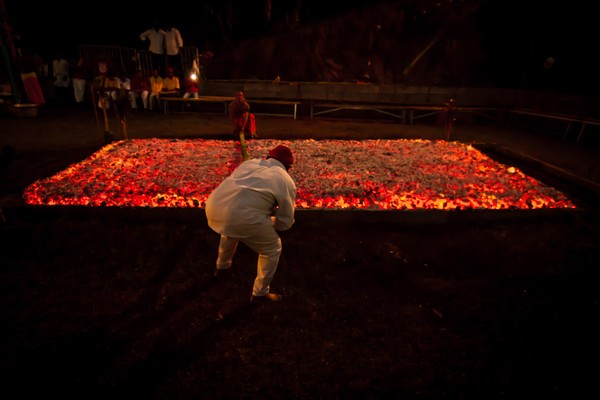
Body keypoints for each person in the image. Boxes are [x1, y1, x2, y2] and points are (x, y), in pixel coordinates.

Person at [205, 145, 296, 303]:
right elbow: (285, 221)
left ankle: (222, 268)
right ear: (288, 166)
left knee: (229, 231)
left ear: (268, 157)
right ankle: (260, 293)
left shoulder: (250, 163)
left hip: (214, 206)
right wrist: (273, 223)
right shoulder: (285, 179)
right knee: (272, 249)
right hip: (244, 218)